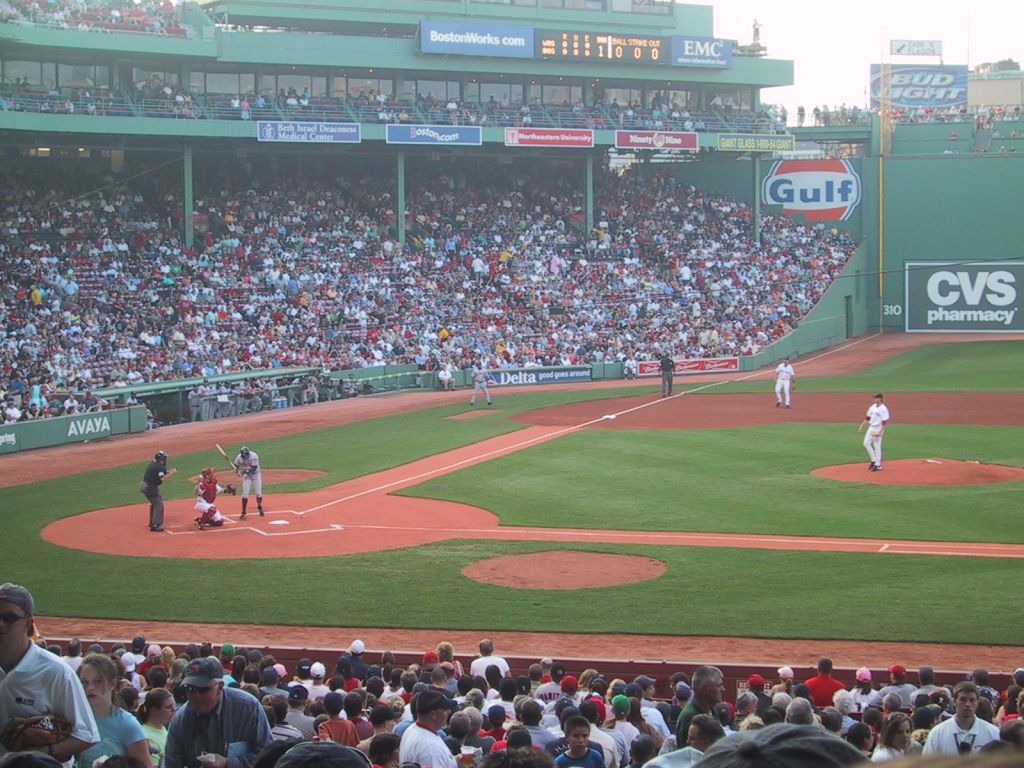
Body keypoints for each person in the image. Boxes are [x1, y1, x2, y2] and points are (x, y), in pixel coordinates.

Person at [0, 584, 100, 765]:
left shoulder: (56, 672)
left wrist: (43, 753)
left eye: (9, 618)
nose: (1, 624)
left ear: (28, 624)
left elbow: (87, 734)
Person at [164, 656, 273, 768]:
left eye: (203, 689)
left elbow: (268, 756)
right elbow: (172, 763)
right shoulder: (180, 720)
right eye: (190, 688)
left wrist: (229, 763)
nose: (196, 695)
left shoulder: (248, 708)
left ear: (220, 687)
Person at [77, 653, 154, 767]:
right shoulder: (77, 718)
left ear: (112, 683)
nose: (90, 688)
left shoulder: (127, 724)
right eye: (84, 682)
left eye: (98, 681)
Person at [923, 681, 1000, 754]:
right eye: (963, 700)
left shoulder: (993, 733)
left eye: (972, 700)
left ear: (977, 702)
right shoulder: (937, 733)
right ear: (954, 702)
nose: (967, 704)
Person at [398, 690, 456, 768]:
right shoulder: (431, 749)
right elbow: (432, 757)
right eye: (445, 709)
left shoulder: (411, 729)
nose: (449, 712)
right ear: (433, 714)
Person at [140, 451, 176, 532]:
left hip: (144, 485)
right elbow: (162, 478)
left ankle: (152, 522)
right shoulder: (159, 466)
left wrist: (169, 472)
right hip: (150, 488)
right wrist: (171, 474)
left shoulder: (154, 463)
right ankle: (155, 525)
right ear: (161, 459)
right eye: (164, 458)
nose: (165, 460)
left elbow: (161, 472)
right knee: (158, 505)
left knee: (155, 502)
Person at [139, 688, 176, 768]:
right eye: (168, 707)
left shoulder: (164, 729)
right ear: (154, 711)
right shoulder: (147, 737)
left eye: (173, 706)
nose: (173, 709)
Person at [858, 393, 890, 471]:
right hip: (871, 427)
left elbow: (885, 422)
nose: (875, 399)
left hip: (878, 428)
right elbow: (868, 417)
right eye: (875, 398)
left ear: (880, 399)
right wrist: (862, 426)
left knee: (877, 446)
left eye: (877, 398)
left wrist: (880, 432)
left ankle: (877, 465)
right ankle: (874, 460)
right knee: (866, 443)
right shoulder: (873, 407)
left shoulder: (883, 409)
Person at [232, 446, 264, 518]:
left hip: (256, 475)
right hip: (247, 476)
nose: (245, 457)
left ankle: (259, 506)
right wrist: (237, 471)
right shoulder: (239, 457)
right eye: (243, 456)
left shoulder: (254, 456)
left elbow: (253, 468)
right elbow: (236, 466)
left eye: (246, 455)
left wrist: (244, 471)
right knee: (245, 494)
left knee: (259, 494)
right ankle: (243, 513)